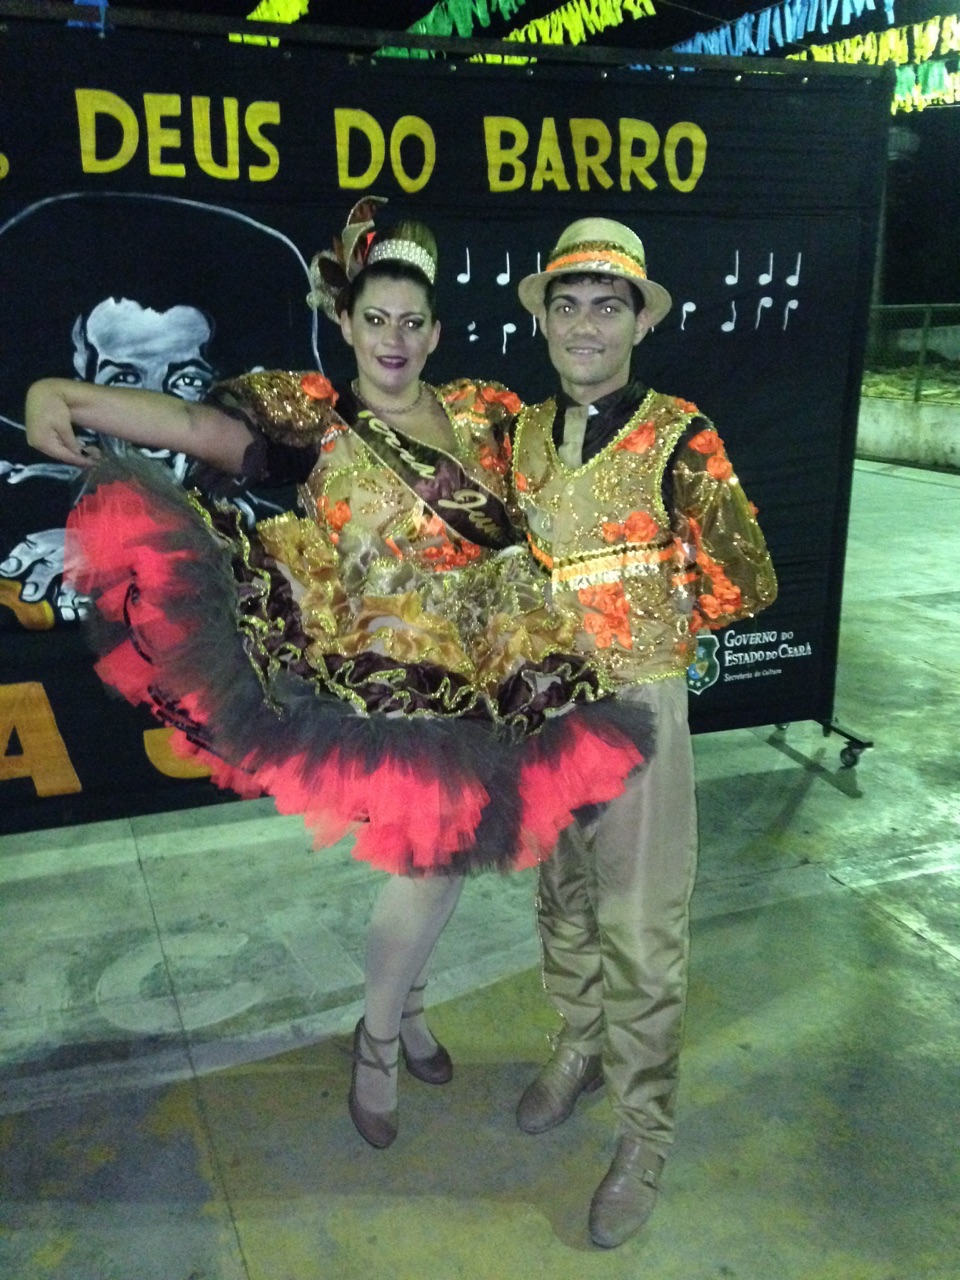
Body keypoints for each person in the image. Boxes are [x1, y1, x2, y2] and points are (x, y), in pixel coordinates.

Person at [25, 200, 655, 1151]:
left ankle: (411, 1014)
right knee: (432, 863)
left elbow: (569, 476)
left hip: (491, 669)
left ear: (434, 333)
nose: (393, 339)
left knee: (448, 859)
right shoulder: (314, 416)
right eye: (375, 319)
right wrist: (61, 393)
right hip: (381, 681)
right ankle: (378, 1041)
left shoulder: (487, 411)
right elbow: (192, 424)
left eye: (412, 322)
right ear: (347, 326)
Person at [510, 217, 778, 1247]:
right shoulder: (523, 435)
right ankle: (579, 1044)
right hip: (542, 711)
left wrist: (647, 625)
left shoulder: (679, 434)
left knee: (641, 926)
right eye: (568, 305)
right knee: (563, 900)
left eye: (606, 306)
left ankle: (644, 1130)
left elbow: (745, 575)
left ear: (638, 321)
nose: (585, 325)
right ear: (545, 321)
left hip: (637, 710)